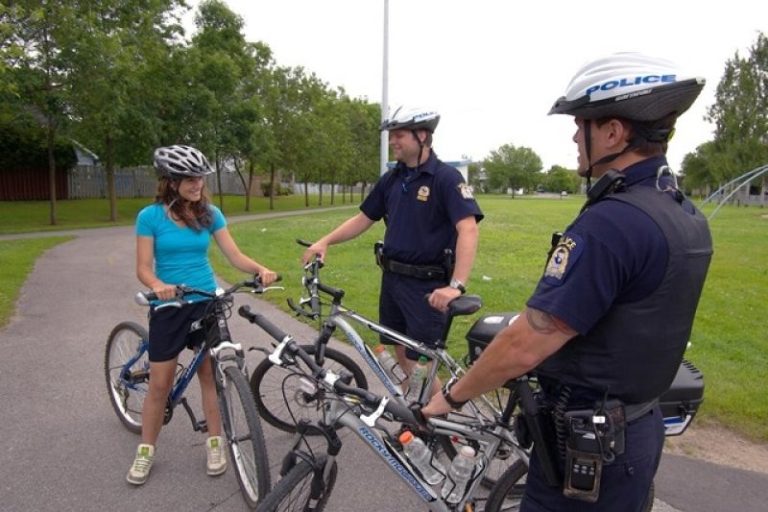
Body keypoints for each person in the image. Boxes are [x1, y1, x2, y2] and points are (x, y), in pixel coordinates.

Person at [423, 53, 713, 511]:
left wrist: (451, 398)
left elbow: (531, 338)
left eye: (583, 125)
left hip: (590, 449)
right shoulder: (681, 211)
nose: (576, 137)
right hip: (636, 429)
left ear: (614, 132)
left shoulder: (614, 222)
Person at [302, 106, 483, 393]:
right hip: (393, 280)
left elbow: (468, 229)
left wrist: (456, 285)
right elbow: (363, 218)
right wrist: (325, 240)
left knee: (422, 362)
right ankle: (421, 413)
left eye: (398, 135)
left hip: (427, 287)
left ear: (422, 135)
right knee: (400, 348)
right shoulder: (393, 179)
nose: (393, 142)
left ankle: (439, 424)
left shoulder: (446, 178)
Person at [127, 145, 278, 485]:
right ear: (170, 181)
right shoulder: (149, 217)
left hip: (207, 301)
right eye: (189, 179)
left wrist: (260, 269)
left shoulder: (210, 214)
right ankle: (146, 450)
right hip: (170, 306)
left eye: (200, 178)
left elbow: (234, 255)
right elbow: (142, 268)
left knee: (210, 376)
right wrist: (158, 285)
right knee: (160, 385)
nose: (197, 184)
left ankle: (215, 442)